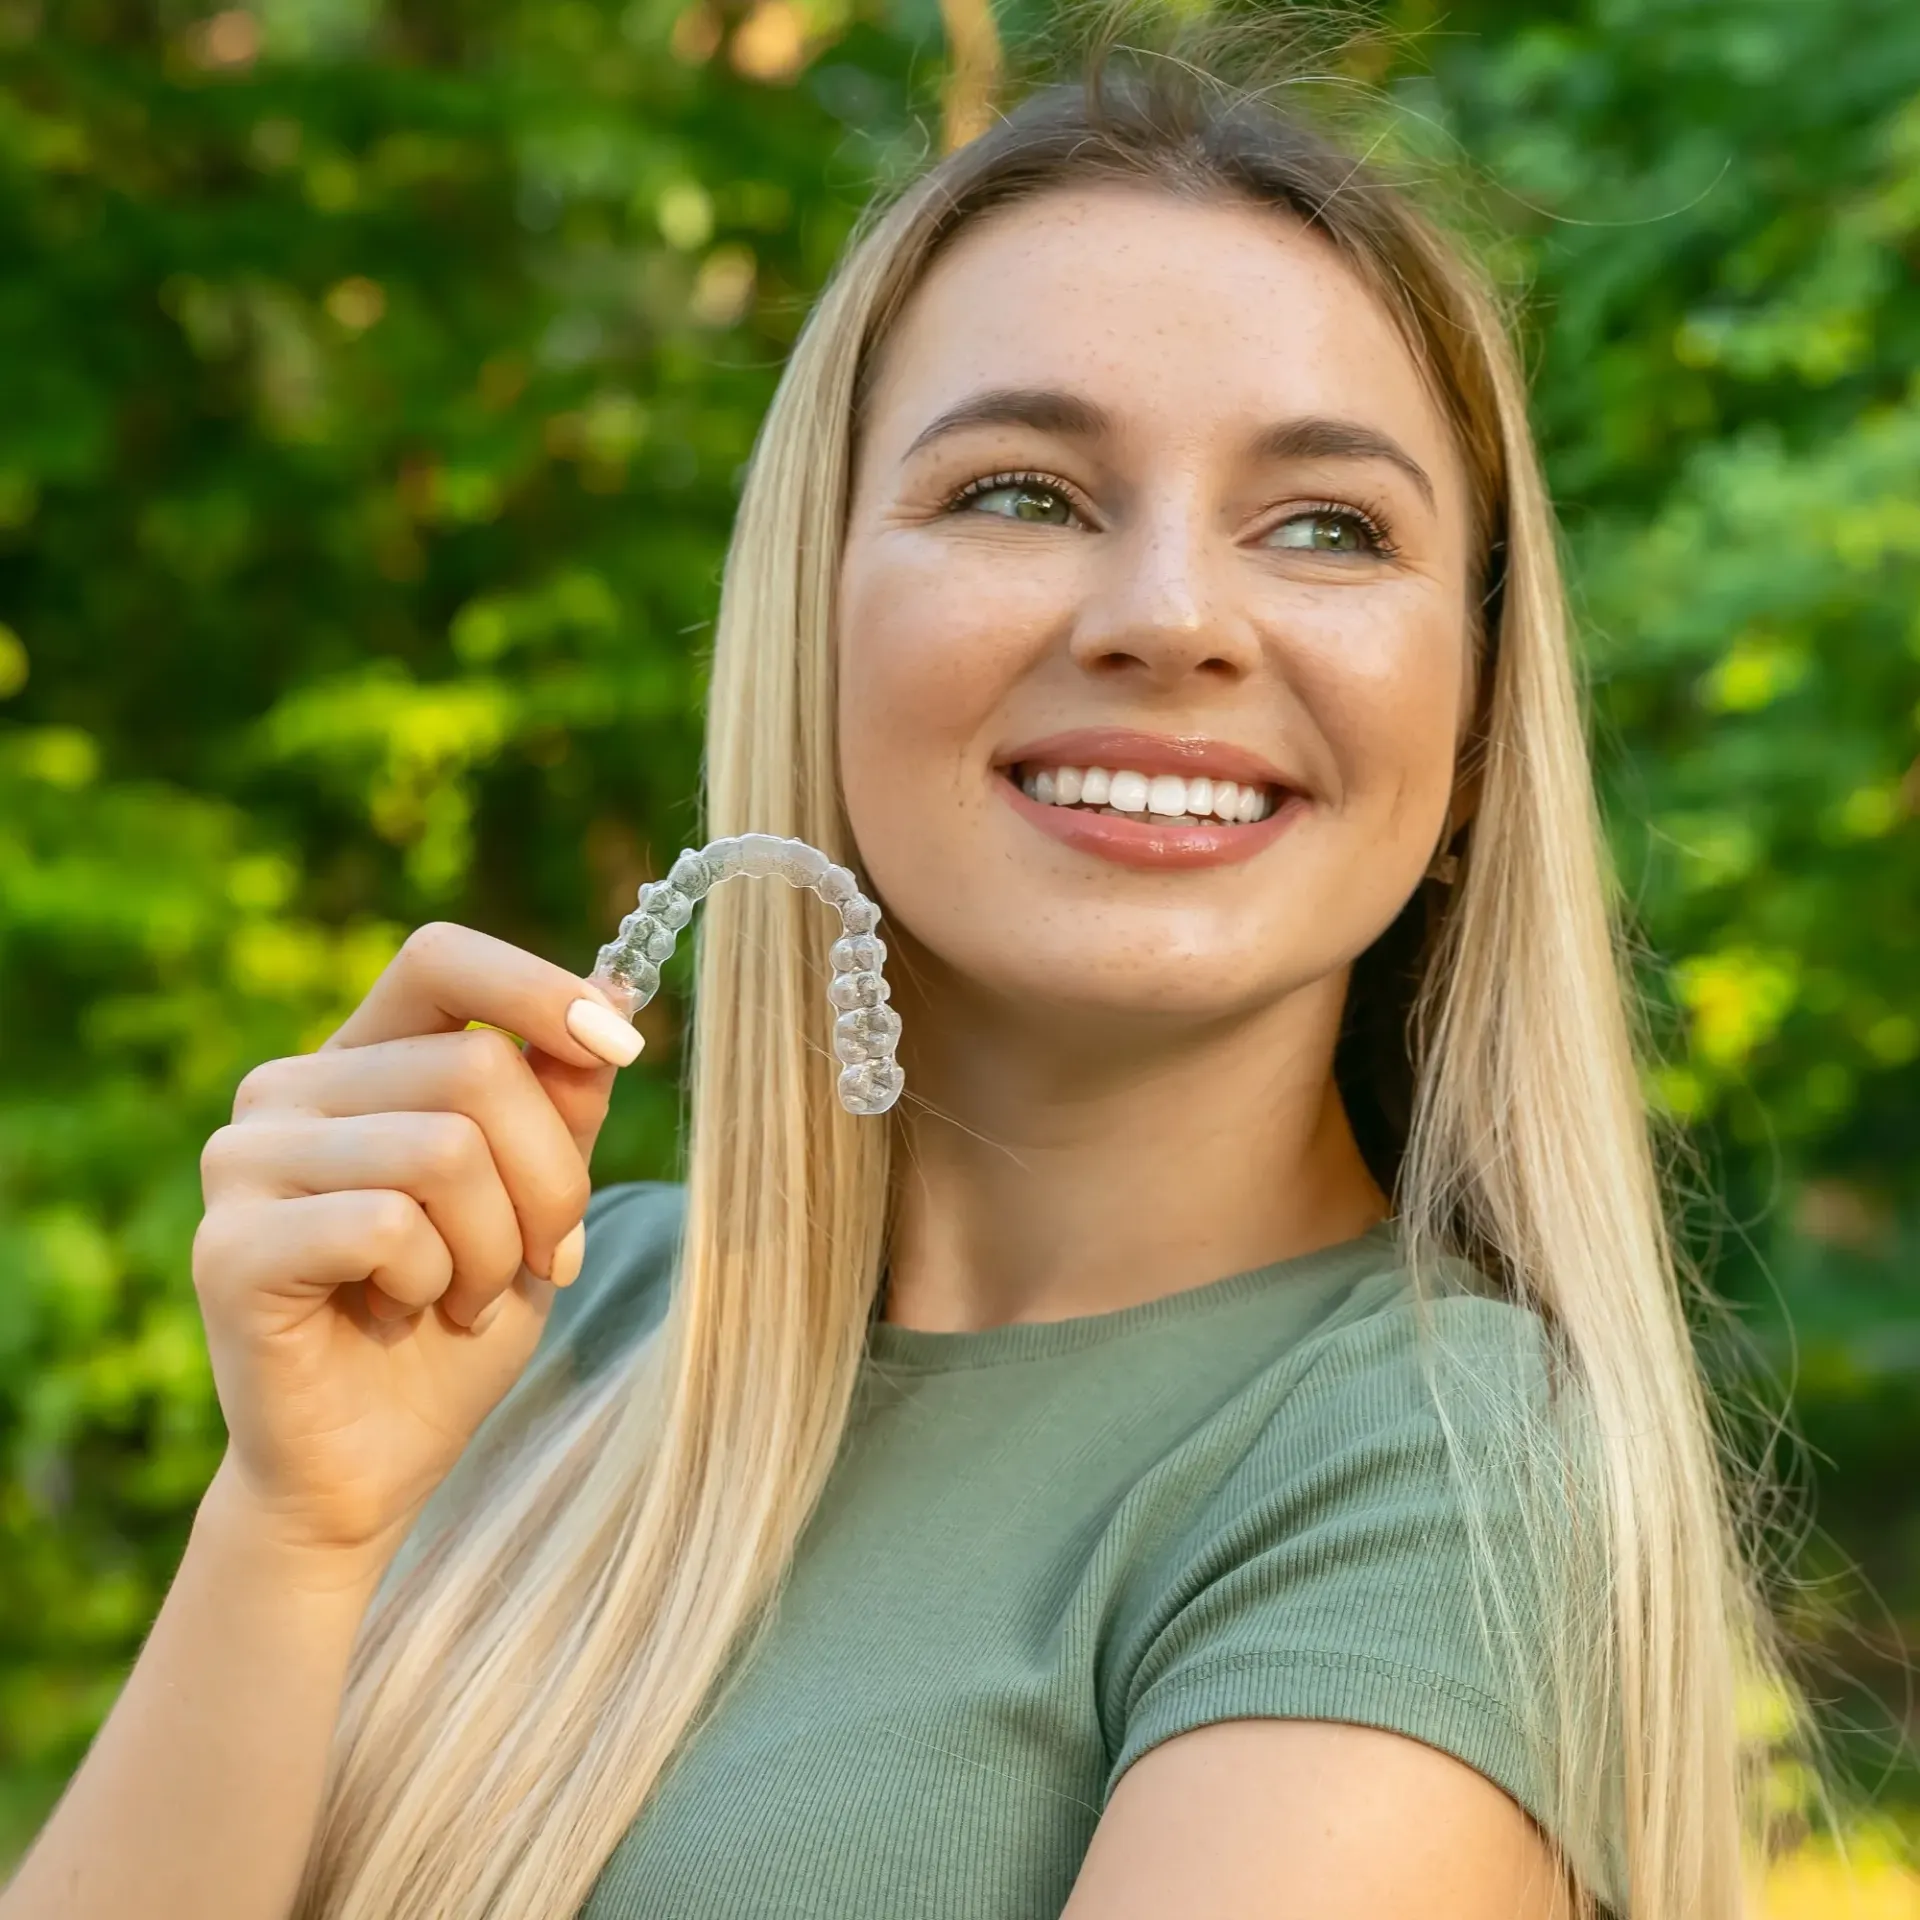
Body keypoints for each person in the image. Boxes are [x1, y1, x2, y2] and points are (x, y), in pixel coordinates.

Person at [2, 37, 1794, 1920]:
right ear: (817, 621)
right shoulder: (532, 1316)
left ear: (1476, 736)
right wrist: (293, 1529)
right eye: (1023, 492)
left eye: (1327, 526)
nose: (1172, 616)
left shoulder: (1431, 1465)